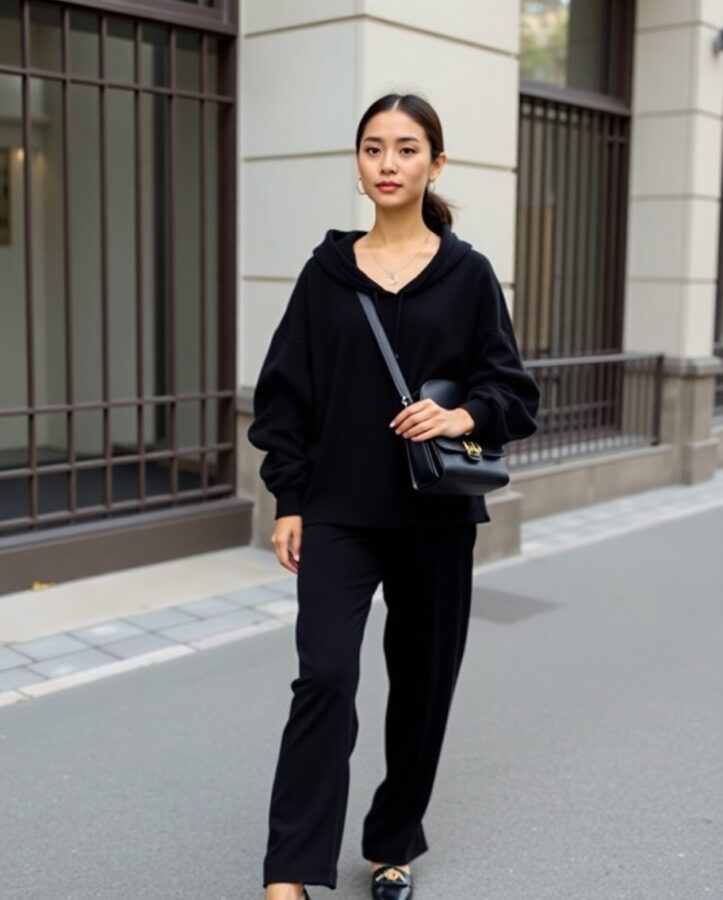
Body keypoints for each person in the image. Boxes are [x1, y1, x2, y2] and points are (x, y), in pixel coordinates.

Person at [247, 92, 541, 900]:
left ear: (434, 165)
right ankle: (291, 870)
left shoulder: (467, 275)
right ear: (358, 162)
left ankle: (391, 843)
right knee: (326, 678)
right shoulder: (326, 276)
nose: (387, 163)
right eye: (373, 148)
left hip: (435, 517)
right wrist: (289, 499)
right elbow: (283, 398)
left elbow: (514, 393)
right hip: (338, 513)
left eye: (406, 149)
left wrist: (462, 412)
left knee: (421, 686)